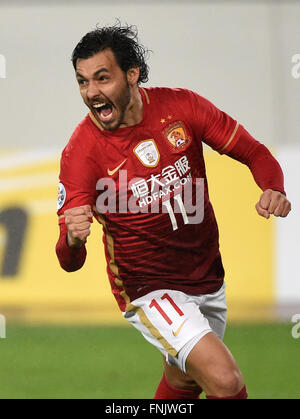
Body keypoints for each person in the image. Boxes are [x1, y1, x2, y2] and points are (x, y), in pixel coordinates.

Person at [55, 23, 291, 399]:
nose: (91, 92)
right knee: (226, 380)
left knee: (185, 380)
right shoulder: (81, 153)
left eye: (102, 78)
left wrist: (273, 187)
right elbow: (68, 260)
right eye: (82, 82)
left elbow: (255, 152)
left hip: (207, 276)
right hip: (147, 288)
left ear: (132, 74)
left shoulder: (181, 107)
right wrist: (72, 238)